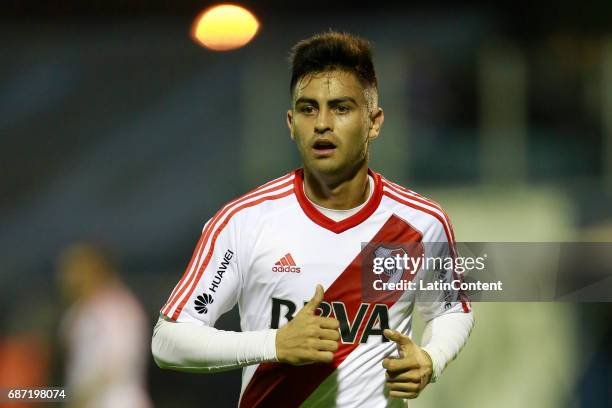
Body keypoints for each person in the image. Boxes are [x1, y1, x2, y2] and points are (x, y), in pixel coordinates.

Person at [152, 31, 474, 407]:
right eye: (308, 109)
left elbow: (451, 308)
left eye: (340, 108)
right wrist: (274, 343)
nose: (322, 123)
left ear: (374, 121)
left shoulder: (420, 223)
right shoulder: (244, 221)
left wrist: (432, 359)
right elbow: (169, 341)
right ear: (291, 123)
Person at [58, 242, 152, 408]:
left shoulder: (117, 308)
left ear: (95, 270)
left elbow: (117, 362)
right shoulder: (80, 310)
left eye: (75, 270)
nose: (67, 277)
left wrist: (80, 398)